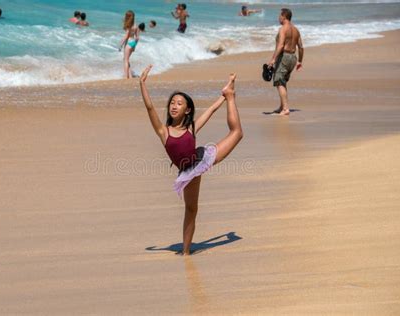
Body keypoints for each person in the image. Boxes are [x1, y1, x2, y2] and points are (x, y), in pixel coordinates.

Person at [139, 65, 243, 255]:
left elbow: (211, 110)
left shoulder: (191, 128)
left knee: (237, 133)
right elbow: (150, 107)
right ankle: (186, 251)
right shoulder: (164, 132)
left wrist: (224, 94)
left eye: (179, 103)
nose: (174, 105)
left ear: (187, 110)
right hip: (188, 172)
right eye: (172, 102)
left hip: (203, 157)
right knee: (191, 208)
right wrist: (142, 83)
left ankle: (231, 96)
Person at [267, 8, 303, 116]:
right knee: (283, 81)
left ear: (284, 16)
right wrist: (300, 61)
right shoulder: (296, 30)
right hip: (293, 58)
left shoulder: (283, 29)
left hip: (284, 57)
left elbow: (281, 45)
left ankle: (286, 109)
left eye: (280, 16)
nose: (278, 18)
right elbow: (301, 47)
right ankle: (282, 106)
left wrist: (273, 59)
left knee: (279, 81)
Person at [119, 10, 140, 79]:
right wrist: (134, 46)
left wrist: (121, 44)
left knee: (125, 60)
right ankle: (130, 75)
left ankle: (126, 76)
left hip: (128, 43)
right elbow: (137, 38)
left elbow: (126, 36)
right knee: (127, 59)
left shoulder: (129, 26)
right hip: (133, 43)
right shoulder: (136, 25)